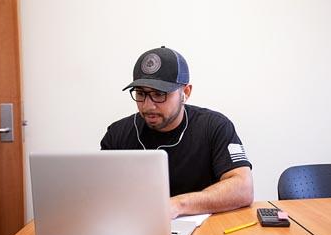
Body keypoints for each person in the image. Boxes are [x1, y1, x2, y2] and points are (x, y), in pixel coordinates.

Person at [101, 46, 254, 218]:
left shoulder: (215, 126)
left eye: (159, 94)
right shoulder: (117, 135)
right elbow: (100, 194)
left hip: (205, 233)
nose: (148, 105)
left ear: (185, 92)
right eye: (141, 93)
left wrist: (176, 206)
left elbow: (243, 188)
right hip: (137, 229)